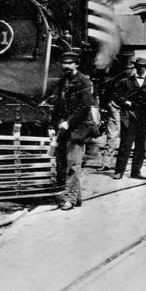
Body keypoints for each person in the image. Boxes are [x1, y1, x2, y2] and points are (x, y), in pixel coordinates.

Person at [50, 51, 95, 211]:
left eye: (70, 63)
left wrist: (68, 123)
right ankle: (76, 197)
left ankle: (69, 199)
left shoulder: (84, 82)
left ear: (76, 64)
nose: (66, 66)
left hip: (77, 129)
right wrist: (53, 125)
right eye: (64, 63)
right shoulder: (62, 81)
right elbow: (56, 106)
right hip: (62, 129)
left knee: (73, 165)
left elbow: (84, 107)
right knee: (62, 164)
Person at [111, 57, 146, 180]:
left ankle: (136, 171)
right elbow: (116, 95)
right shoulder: (125, 82)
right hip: (129, 115)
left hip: (144, 117)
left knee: (141, 146)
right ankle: (119, 171)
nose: (141, 69)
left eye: (143, 67)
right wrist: (125, 102)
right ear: (136, 68)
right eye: (139, 67)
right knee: (125, 145)